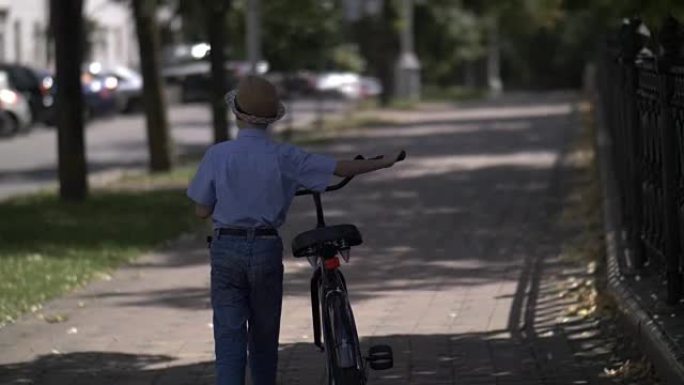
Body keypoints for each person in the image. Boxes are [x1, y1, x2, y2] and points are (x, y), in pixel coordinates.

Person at [187, 75, 403, 385]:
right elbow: (338, 168)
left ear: (236, 114)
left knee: (229, 334)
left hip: (226, 248)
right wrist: (383, 162)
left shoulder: (217, 155)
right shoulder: (285, 156)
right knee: (263, 335)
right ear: (272, 120)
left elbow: (201, 210)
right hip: (265, 248)